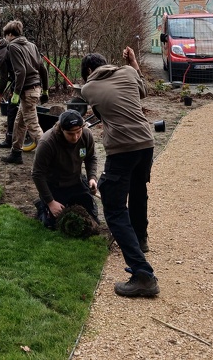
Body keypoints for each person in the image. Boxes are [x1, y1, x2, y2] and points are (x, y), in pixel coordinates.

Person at [80, 46, 159, 297]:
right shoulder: (127, 71)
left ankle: (142, 274)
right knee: (138, 190)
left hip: (122, 148)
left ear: (89, 71)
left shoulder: (88, 88)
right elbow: (143, 91)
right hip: (146, 144)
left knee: (113, 207)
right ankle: (140, 238)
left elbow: (93, 107)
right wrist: (134, 62)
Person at [31, 110, 99, 229]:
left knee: (91, 219)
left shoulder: (86, 135)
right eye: (70, 134)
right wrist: (51, 202)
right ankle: (42, 206)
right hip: (54, 185)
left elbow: (91, 158)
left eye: (78, 132)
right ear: (62, 130)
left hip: (76, 181)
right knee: (52, 225)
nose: (76, 137)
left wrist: (92, 178)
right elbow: (37, 174)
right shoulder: (47, 142)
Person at [0, 20, 49, 164]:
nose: (5, 39)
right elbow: (43, 69)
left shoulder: (13, 46)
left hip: (27, 91)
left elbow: (20, 72)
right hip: (35, 89)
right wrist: (45, 90)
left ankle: (53, 157)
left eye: (5, 36)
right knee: (19, 123)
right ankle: (16, 153)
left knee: (33, 126)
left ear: (10, 34)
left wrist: (15, 93)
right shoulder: (31, 45)